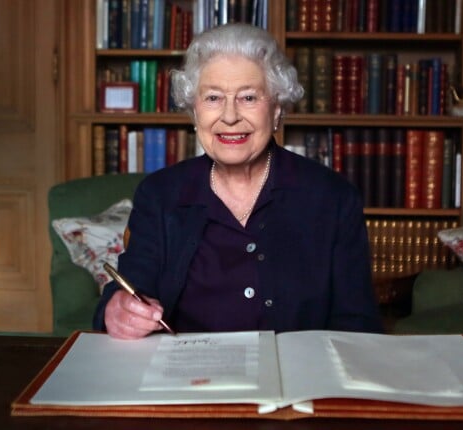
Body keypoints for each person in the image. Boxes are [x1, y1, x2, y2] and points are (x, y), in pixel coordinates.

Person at [93, 23, 382, 339]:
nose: (229, 116)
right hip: (185, 379)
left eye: (248, 97)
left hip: (299, 379)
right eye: (214, 97)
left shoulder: (334, 198)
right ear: (195, 112)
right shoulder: (160, 194)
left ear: (276, 111)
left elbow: (358, 325)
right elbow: (129, 290)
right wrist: (118, 310)